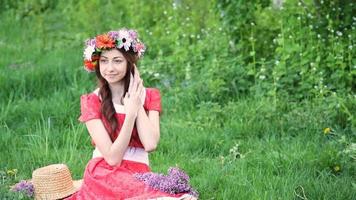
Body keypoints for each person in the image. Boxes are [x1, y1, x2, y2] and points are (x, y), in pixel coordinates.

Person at [65, 28, 197, 200]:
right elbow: (113, 159)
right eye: (104, 61)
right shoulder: (92, 100)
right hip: (104, 171)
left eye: (117, 61)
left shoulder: (149, 96)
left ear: (130, 64)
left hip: (138, 171)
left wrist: (136, 102)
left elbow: (150, 144)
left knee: (148, 191)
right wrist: (130, 115)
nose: (110, 68)